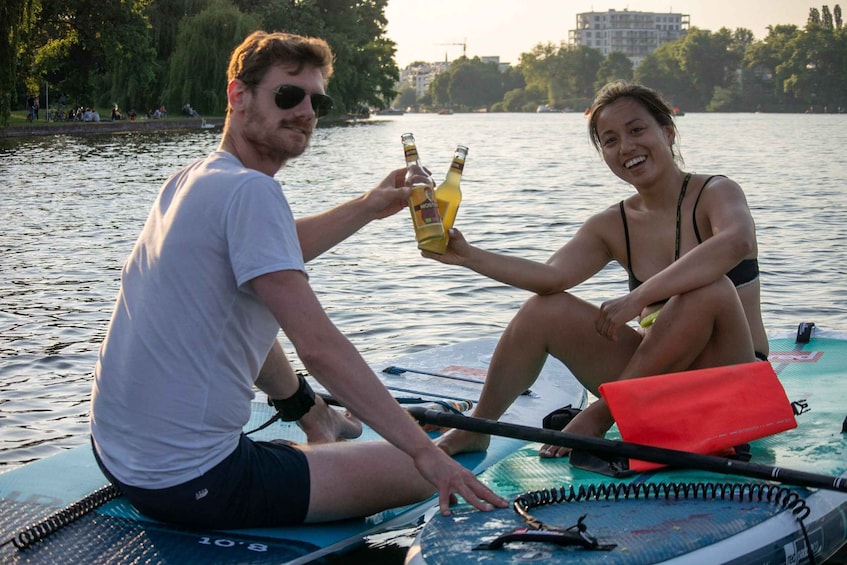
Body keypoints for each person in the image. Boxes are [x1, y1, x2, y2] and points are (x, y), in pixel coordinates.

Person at [89, 30, 505, 530]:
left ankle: (313, 416)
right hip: (194, 482)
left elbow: (277, 248)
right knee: (416, 470)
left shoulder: (195, 178)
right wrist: (426, 455)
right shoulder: (251, 194)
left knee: (250, 306)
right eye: (288, 95)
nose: (306, 111)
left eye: (317, 101)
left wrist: (369, 207)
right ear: (238, 96)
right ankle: (333, 435)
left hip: (117, 458)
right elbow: (320, 347)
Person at [426, 81, 767, 459]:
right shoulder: (612, 223)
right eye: (610, 140)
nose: (626, 147)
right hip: (657, 390)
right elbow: (550, 277)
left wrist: (639, 297)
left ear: (667, 132)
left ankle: (600, 416)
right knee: (544, 309)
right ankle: (479, 428)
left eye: (637, 130)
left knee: (711, 288)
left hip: (731, 388)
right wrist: (468, 255)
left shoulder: (717, 192)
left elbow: (737, 242)